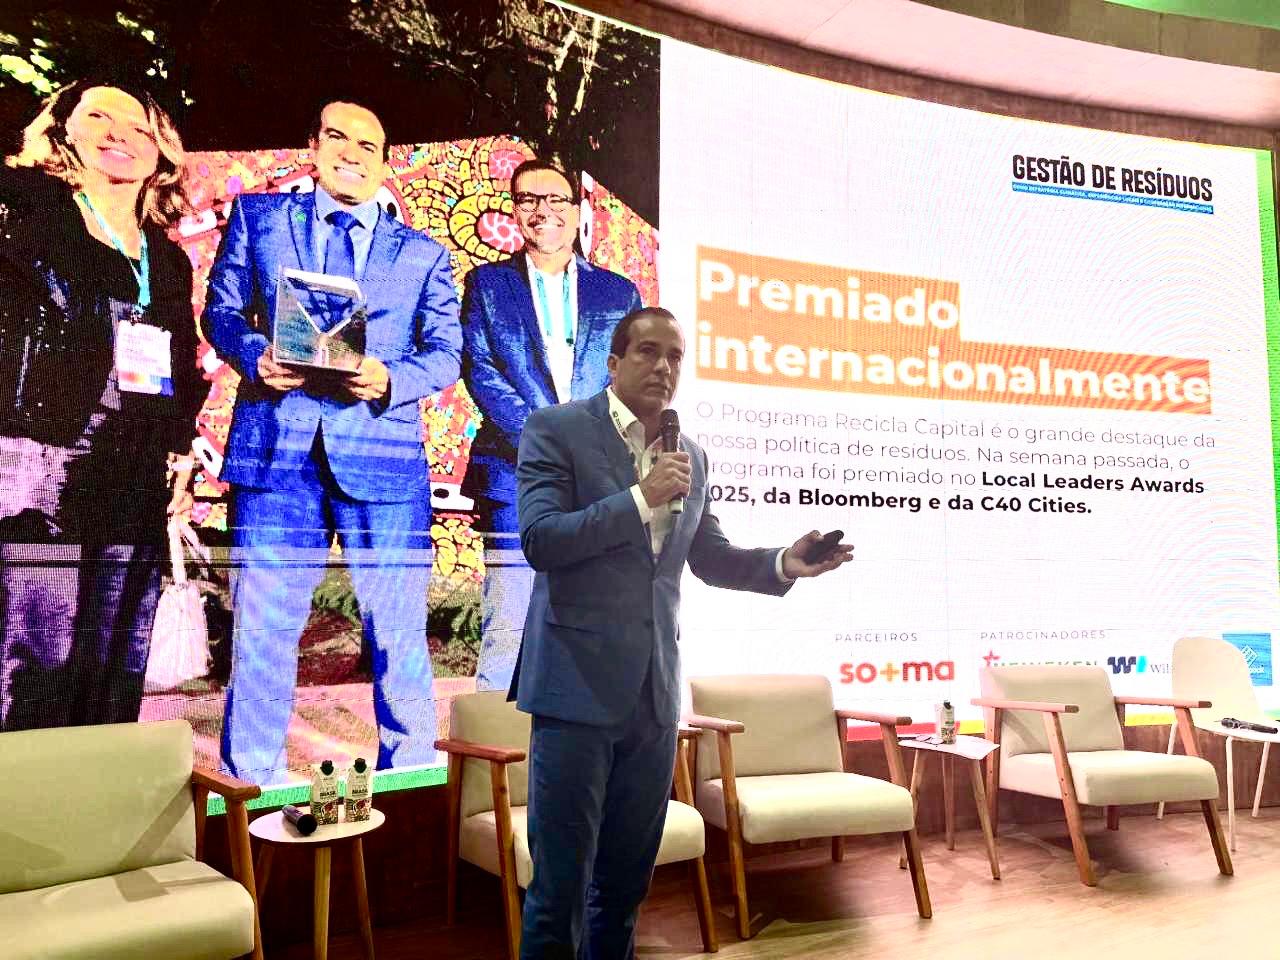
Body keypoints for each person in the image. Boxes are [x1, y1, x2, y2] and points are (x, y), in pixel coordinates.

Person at [512, 306, 852, 958]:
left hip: (654, 699)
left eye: (675, 356)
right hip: (574, 693)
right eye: (648, 351)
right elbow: (542, 539)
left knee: (624, 887)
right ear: (613, 362)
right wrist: (640, 498)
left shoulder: (690, 455)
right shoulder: (555, 429)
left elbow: (709, 557)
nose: (663, 367)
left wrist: (785, 562)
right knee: (559, 889)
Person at [204, 99, 461, 785]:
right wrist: (254, 355)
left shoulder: (424, 254)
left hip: (381, 458)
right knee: (262, 628)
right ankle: (251, 785)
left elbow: (446, 353)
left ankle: (410, 779)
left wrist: (389, 378)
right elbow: (220, 311)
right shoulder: (259, 219)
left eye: (368, 145)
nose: (351, 152)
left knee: (397, 631)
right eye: (337, 137)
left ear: (385, 163)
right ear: (313, 146)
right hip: (275, 455)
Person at [0, 79, 206, 730]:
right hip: (38, 470)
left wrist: (180, 456)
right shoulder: (29, 219)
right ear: (64, 131)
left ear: (160, 151)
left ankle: (98, 788)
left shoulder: (167, 261)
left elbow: (179, 366)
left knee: (114, 658)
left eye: (139, 127)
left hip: (134, 474)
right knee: (31, 661)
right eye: (98, 117)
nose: (120, 134)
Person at [461, 158, 641, 691]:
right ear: (515, 211)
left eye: (555, 200)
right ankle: (494, 740)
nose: (543, 211)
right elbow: (480, 368)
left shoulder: (618, 293)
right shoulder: (487, 284)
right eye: (528, 200)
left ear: (578, 211)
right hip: (514, 475)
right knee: (509, 623)